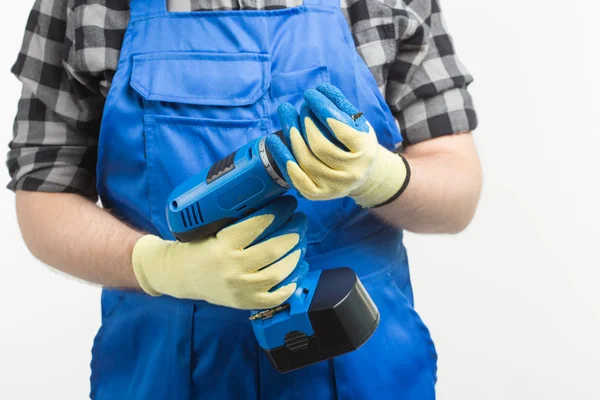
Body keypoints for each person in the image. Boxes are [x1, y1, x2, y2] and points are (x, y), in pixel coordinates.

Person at [6, 0, 481, 398]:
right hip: (162, 373)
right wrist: (161, 267)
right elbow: (43, 198)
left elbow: (457, 190)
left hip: (366, 368)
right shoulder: (86, 6)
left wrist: (379, 176)